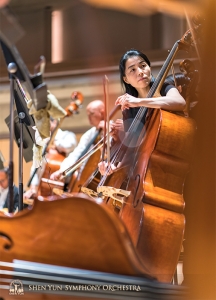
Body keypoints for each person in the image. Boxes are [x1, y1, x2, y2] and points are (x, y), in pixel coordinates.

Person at [98, 49, 186, 175]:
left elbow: (179, 102)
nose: (140, 72)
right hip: (146, 170)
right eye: (132, 70)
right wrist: (115, 168)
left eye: (143, 66)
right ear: (126, 79)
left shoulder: (163, 88)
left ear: (149, 67)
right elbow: (132, 149)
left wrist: (139, 101)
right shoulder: (129, 109)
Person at [50, 100, 123, 181]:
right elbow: (77, 154)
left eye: (91, 114)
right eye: (87, 114)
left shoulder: (115, 129)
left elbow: (120, 151)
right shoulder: (89, 134)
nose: (89, 118)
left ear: (102, 113)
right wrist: (62, 170)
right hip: (86, 179)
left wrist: (109, 132)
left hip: (108, 178)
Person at [24, 118, 77, 199]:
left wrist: (52, 141)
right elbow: (35, 165)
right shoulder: (42, 141)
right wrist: (33, 186)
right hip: (43, 183)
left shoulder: (67, 135)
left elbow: (70, 145)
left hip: (64, 185)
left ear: (54, 121)